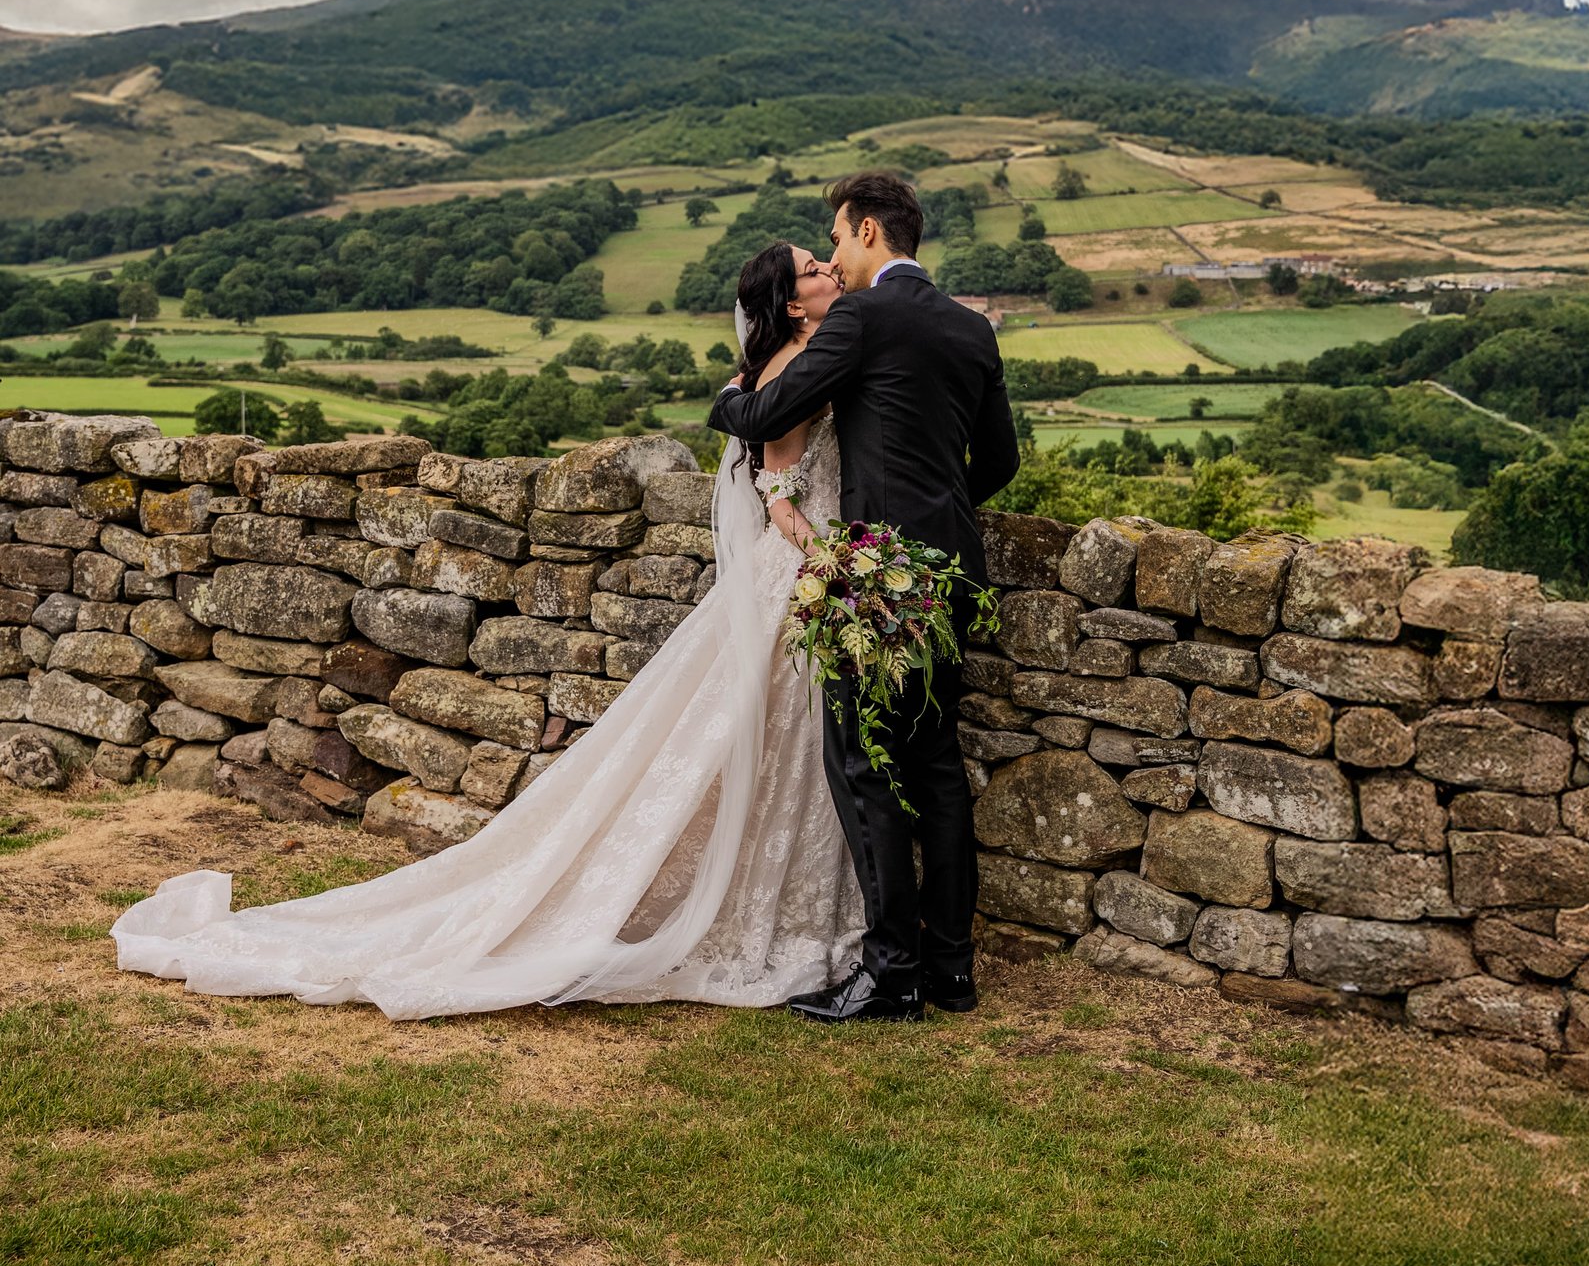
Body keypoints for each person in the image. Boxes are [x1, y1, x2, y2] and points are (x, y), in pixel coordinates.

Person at [111, 245, 866, 1020]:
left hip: (807, 576)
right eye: (813, 268)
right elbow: (779, 496)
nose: (829, 271)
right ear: (792, 302)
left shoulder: (810, 356)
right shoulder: (787, 371)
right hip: (802, 572)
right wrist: (839, 562)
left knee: (782, 744)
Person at [711, 169, 1018, 1025]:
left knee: (862, 765)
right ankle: (952, 973)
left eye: (838, 236)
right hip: (952, 576)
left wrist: (728, 400)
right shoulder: (971, 327)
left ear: (871, 233)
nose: (835, 255)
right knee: (939, 768)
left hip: (874, 577)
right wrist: (939, 512)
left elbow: (779, 404)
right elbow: (998, 462)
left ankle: (892, 977)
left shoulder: (861, 314)